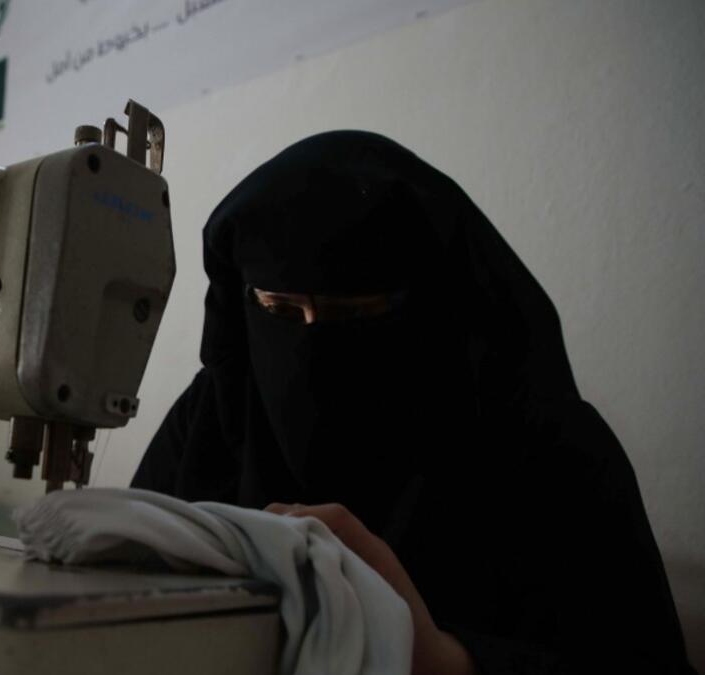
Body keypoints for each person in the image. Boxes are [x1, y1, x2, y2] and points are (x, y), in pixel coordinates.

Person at [132, 131, 695, 675]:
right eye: (280, 311)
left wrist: (448, 663)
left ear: (434, 309)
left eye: (352, 314)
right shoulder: (215, 416)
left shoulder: (548, 448)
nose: (311, 344)